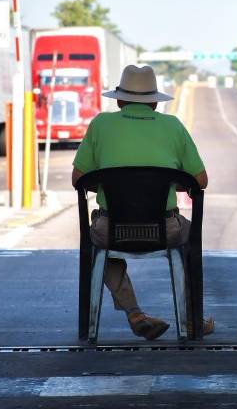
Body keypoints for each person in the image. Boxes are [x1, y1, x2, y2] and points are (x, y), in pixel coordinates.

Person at [71, 64, 213, 340]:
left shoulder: (101, 124)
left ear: (120, 100)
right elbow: (201, 180)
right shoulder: (172, 126)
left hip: (112, 229)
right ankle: (192, 320)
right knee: (187, 242)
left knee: (95, 239)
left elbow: (78, 178)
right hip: (164, 230)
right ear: (154, 104)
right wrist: (170, 180)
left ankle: (134, 312)